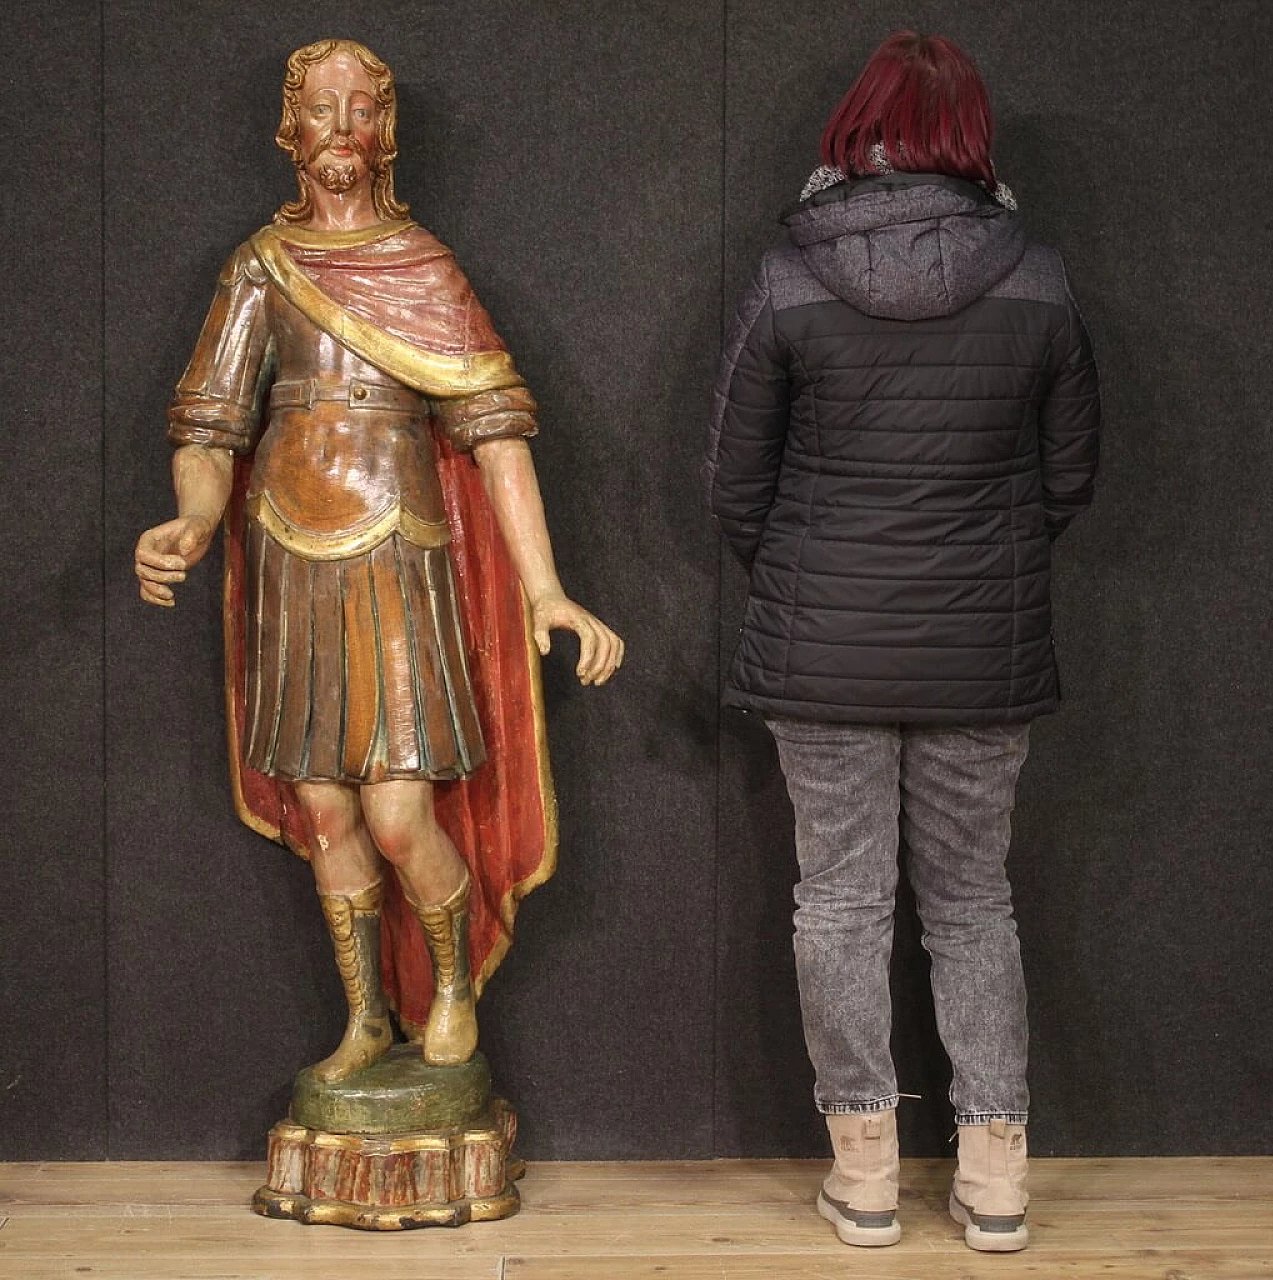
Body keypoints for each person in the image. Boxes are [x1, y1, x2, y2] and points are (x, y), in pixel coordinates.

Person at [135, 38, 622, 1085]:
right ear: (290, 130)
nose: (342, 128)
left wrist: (544, 588)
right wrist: (193, 517)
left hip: (397, 555)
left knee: (400, 812)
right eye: (322, 108)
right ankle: (365, 1016)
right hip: (289, 559)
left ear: (384, 133)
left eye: (361, 109)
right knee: (322, 808)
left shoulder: (422, 267)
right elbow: (210, 425)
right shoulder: (259, 267)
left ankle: (446, 987)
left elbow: (496, 436)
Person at [708, 30, 1100, 1254]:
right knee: (974, 902)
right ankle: (992, 1180)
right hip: (979, 647)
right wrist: (984, 560)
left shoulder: (787, 276)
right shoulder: (1036, 275)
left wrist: (809, 576)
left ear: (856, 133)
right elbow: (1070, 475)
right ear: (971, 139)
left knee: (836, 900)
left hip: (819, 641)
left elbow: (733, 481)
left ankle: (865, 1176)